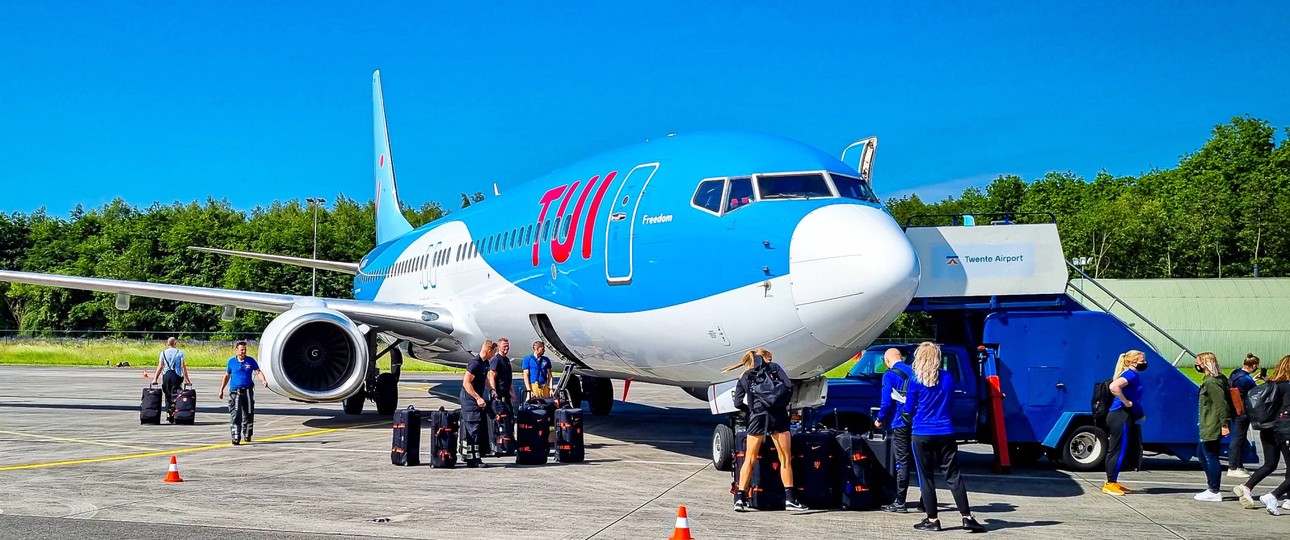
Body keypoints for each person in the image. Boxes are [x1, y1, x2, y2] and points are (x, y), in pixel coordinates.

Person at [902, 342, 984, 533]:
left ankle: (932, 519)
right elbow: (950, 402)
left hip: (922, 431)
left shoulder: (915, 380)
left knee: (927, 476)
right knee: (953, 475)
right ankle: (967, 516)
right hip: (945, 430)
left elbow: (908, 409)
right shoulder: (947, 377)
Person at [726, 348, 805, 511]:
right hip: (778, 415)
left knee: (749, 459)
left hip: (757, 416)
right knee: (784, 458)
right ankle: (790, 499)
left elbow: (737, 403)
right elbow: (789, 386)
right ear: (767, 358)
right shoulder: (774, 367)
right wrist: (781, 403)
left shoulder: (744, 376)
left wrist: (751, 410)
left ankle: (740, 499)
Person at [1235, 354, 1290, 515]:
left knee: (1270, 463)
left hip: (1267, 427)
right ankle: (1278, 496)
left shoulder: (1274, 385)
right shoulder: (1287, 386)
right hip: (1284, 427)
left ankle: (1247, 486)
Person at [873, 348, 916, 512]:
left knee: (902, 461)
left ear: (886, 360)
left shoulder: (889, 375)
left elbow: (886, 403)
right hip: (916, 421)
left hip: (900, 422)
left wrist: (879, 419)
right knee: (920, 461)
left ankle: (900, 501)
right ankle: (925, 501)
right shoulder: (914, 372)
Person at [1103, 350, 1147, 496]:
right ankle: (1109, 483)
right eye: (1142, 360)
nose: (1144, 363)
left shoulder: (1130, 374)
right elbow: (1114, 387)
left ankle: (1113, 481)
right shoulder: (1130, 374)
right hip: (1120, 415)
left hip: (1122, 415)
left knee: (1118, 448)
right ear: (1132, 361)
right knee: (1118, 450)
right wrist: (1126, 402)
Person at [1193, 352, 1231, 502]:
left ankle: (1214, 490)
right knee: (1202, 454)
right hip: (1208, 422)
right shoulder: (1217, 379)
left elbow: (1221, 404)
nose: (1196, 365)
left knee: (1210, 456)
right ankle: (1212, 487)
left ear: (1204, 363)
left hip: (1212, 423)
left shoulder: (1211, 382)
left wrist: (1224, 424)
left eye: (1198, 362)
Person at [217, 341, 267, 445]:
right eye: (241, 350)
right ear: (237, 350)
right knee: (236, 414)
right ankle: (236, 436)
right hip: (236, 392)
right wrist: (221, 389)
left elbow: (258, 371)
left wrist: (263, 380)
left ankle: (248, 434)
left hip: (248, 391)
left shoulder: (250, 361)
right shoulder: (231, 362)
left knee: (248, 413)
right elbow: (227, 376)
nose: (243, 351)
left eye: (245, 349)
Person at [459, 340, 495, 468]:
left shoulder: (485, 363)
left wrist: (491, 389)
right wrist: (477, 398)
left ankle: (474, 456)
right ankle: (472, 460)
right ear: (488, 350)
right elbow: (466, 383)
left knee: (477, 428)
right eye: (493, 352)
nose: (494, 355)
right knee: (472, 429)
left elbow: (484, 378)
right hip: (469, 400)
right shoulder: (475, 363)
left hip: (476, 399)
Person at [1228, 354, 1261, 478]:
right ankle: (1233, 466)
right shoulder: (1245, 379)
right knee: (1238, 439)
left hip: (1234, 410)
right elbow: (1255, 391)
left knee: (1239, 438)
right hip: (1242, 412)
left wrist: (1253, 379)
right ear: (1253, 366)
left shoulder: (1235, 373)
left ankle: (1239, 465)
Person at [151, 337, 193, 423]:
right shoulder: (180, 353)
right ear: (175, 343)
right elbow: (183, 367)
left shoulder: (163, 353)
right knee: (176, 396)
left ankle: (168, 414)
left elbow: (160, 366)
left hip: (166, 376)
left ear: (168, 343)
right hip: (176, 376)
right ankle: (174, 412)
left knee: (167, 396)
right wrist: (187, 380)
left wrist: (155, 378)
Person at [488, 337, 516, 405]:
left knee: (509, 413)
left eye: (507, 346)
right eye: (504, 346)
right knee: (500, 413)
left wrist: (512, 392)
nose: (506, 348)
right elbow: (492, 377)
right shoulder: (496, 360)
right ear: (499, 347)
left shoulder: (507, 360)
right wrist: (493, 391)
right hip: (499, 393)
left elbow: (509, 378)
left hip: (506, 393)